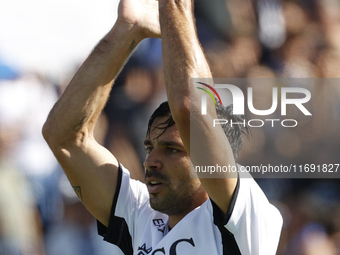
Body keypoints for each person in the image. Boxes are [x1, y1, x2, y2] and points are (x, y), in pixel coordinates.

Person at [42, 0, 283, 254]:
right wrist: (126, 30)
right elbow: (64, 138)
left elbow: (190, 108)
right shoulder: (141, 213)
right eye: (150, 147)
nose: (150, 161)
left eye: (172, 149)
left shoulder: (248, 217)